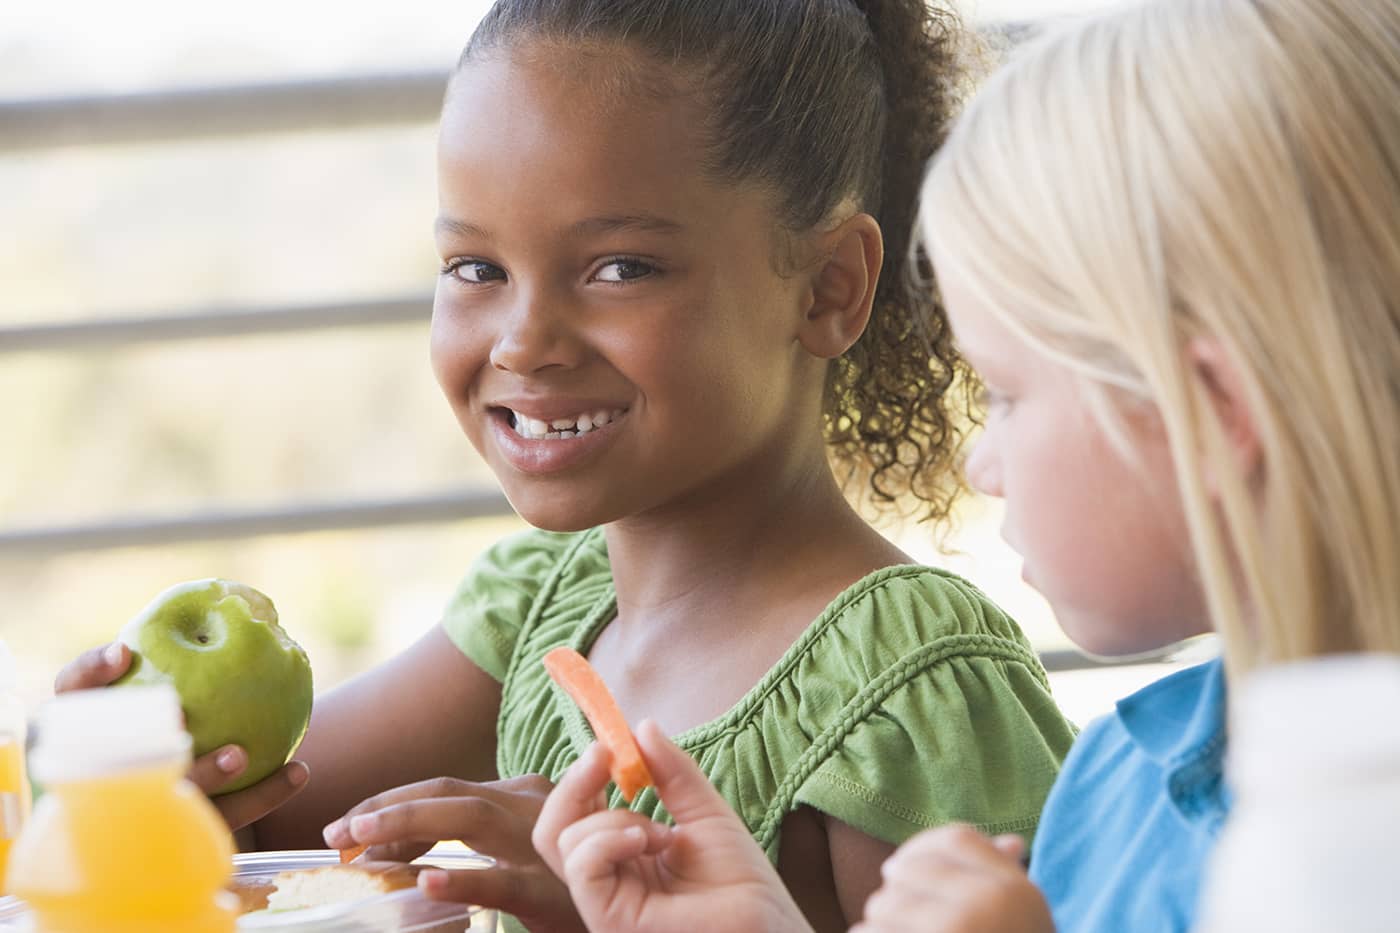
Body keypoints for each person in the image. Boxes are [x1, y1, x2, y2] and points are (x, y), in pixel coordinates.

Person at [54, 1, 1080, 930]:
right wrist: (129, 775)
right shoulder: (540, 615)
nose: (523, 340)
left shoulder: (907, 696)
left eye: (619, 268)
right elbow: (253, 836)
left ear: (825, 288)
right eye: (475, 269)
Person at [531, 0, 1400, 930]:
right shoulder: (1111, 790)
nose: (984, 464)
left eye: (1010, 393)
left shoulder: (1348, 838)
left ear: (1214, 413)